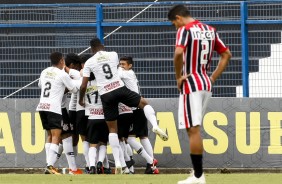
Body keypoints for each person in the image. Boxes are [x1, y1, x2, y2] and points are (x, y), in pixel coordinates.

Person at [79, 38, 168, 174]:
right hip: (119, 89)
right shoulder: (113, 54)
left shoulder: (90, 62)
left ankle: (120, 164)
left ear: (91, 49)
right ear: (102, 46)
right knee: (144, 104)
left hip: (106, 95)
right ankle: (155, 125)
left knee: (112, 130)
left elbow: (84, 85)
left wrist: (81, 99)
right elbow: (115, 72)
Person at [168, 5, 232, 184]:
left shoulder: (184, 30)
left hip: (191, 83)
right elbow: (227, 54)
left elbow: (178, 53)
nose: (175, 27)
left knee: (193, 129)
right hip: (205, 83)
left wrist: (179, 77)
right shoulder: (210, 30)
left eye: (174, 23)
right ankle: (197, 174)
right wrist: (212, 77)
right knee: (194, 128)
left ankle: (198, 177)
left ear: (179, 18)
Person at [36, 52, 78, 174]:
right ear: (61, 61)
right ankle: (50, 166)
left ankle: (48, 165)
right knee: (56, 136)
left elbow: (40, 85)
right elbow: (74, 89)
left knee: (49, 136)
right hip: (54, 108)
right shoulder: (62, 74)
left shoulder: (44, 71)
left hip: (42, 106)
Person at [118, 56, 159, 174]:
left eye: (123, 64)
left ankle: (150, 161)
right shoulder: (129, 73)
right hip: (138, 107)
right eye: (120, 64)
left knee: (129, 138)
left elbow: (117, 74)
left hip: (133, 109)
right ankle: (151, 166)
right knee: (143, 137)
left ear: (130, 66)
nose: (121, 66)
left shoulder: (128, 73)